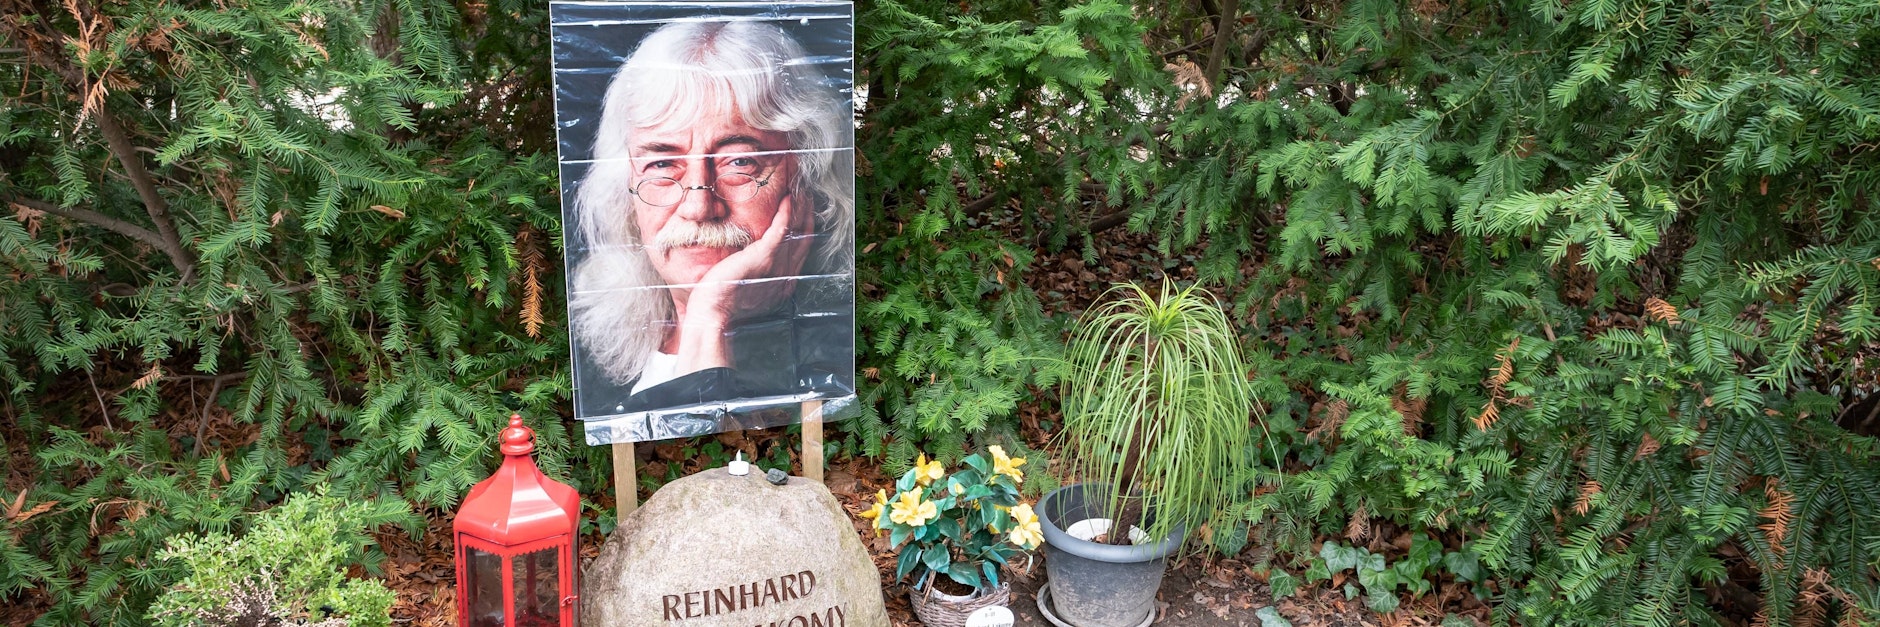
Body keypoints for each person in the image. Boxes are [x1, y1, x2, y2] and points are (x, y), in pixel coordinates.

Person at [565, 20, 854, 441]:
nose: (699, 206)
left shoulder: (827, 358)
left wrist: (709, 315)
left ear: (806, 180)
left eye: (739, 162)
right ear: (623, 189)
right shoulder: (589, 358)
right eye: (663, 165)